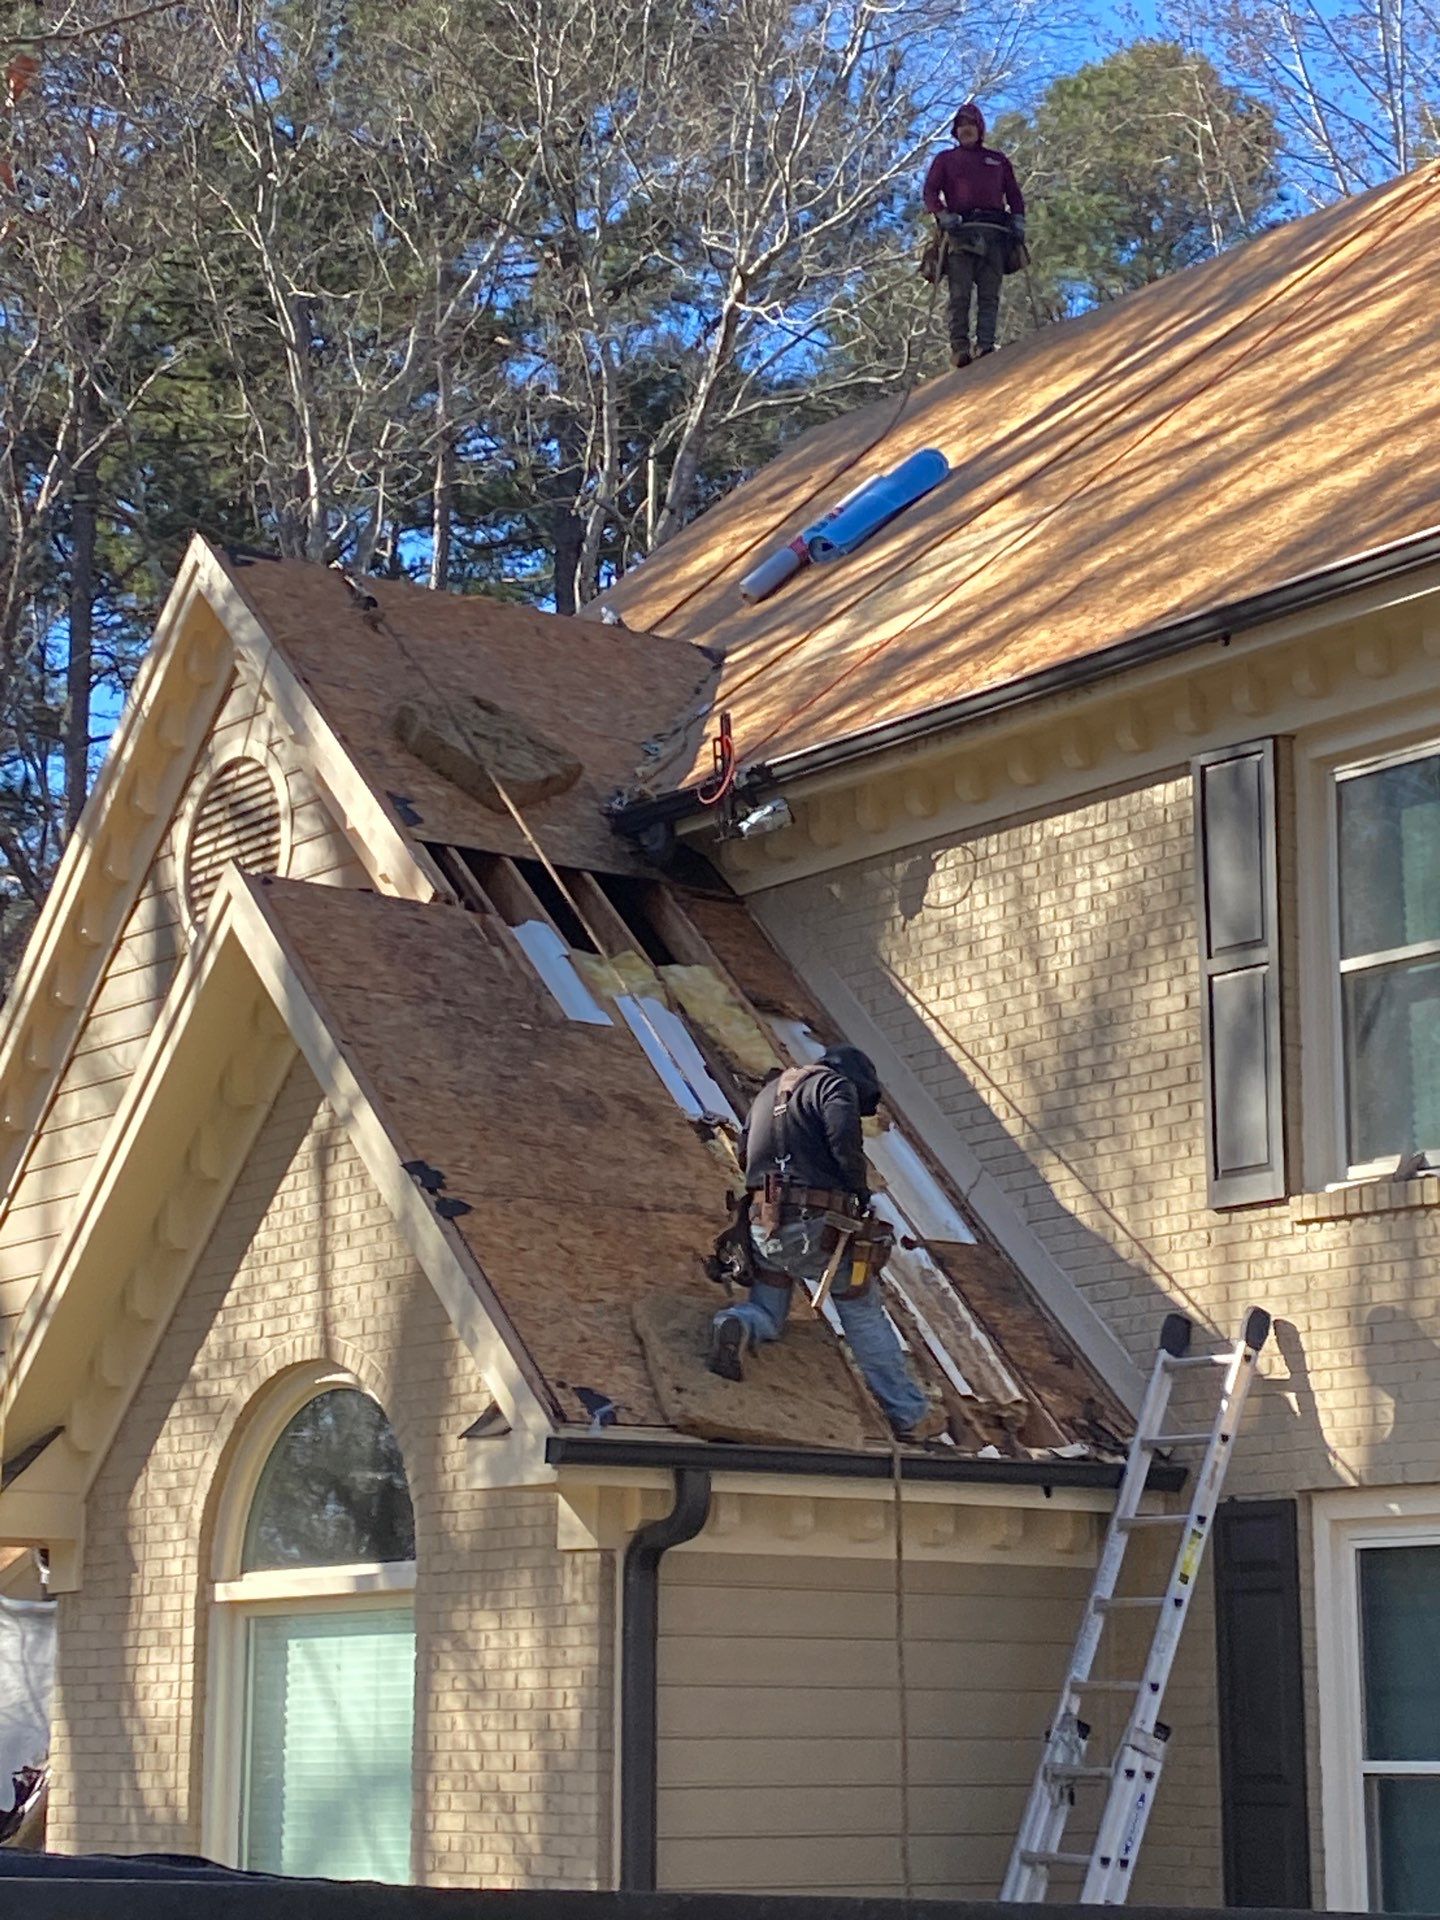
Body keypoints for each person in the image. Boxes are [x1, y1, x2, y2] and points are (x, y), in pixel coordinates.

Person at [708, 1045, 946, 1442]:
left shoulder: (767, 1094)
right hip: (818, 1226)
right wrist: (858, 1191)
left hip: (763, 1227)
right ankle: (910, 1415)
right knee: (861, 1309)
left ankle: (733, 1324)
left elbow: (746, 1154)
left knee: (767, 1312)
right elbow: (842, 1140)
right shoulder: (834, 1086)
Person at [922, 101, 1025, 369]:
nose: (966, 130)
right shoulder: (946, 159)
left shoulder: (998, 160)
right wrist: (943, 215)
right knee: (960, 293)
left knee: (990, 293)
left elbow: (1013, 193)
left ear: (980, 129)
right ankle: (960, 347)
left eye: (970, 125)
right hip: (961, 233)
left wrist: (1018, 218)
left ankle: (986, 344)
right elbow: (930, 192)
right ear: (955, 132)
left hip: (995, 232)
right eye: (961, 126)